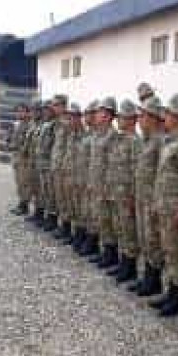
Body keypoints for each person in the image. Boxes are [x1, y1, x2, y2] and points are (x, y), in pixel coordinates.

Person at [150, 93, 178, 317]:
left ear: (177, 116)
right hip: (165, 206)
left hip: (175, 208)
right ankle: (172, 292)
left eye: (167, 113)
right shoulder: (170, 140)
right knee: (170, 250)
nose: (164, 117)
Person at [131, 95, 166, 297]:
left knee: (153, 241)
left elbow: (162, 176)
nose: (140, 119)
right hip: (142, 197)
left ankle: (155, 281)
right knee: (145, 239)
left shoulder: (160, 142)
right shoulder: (147, 141)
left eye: (143, 115)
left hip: (153, 199)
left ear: (152, 118)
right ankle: (148, 277)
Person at [106, 99, 142, 283]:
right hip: (116, 192)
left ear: (131, 119)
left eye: (122, 117)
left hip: (127, 195)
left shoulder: (135, 142)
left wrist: (133, 195)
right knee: (120, 228)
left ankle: (130, 267)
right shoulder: (120, 140)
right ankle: (123, 262)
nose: (118, 120)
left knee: (129, 231)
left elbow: (137, 171)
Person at [88, 97, 120, 269]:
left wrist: (107, 188)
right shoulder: (97, 134)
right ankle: (106, 251)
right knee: (101, 219)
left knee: (109, 220)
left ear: (108, 116)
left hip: (107, 188)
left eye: (100, 112)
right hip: (97, 184)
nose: (97, 115)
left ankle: (112, 255)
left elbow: (113, 165)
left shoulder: (113, 136)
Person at [75, 101, 100, 255]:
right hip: (84, 179)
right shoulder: (87, 134)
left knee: (94, 213)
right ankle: (85, 238)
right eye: (85, 114)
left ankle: (93, 242)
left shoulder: (98, 135)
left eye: (89, 114)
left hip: (94, 182)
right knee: (85, 211)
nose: (86, 117)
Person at [57, 102, 84, 245]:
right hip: (68, 175)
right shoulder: (71, 135)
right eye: (69, 117)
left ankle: (81, 236)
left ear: (79, 118)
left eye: (73, 117)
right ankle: (71, 232)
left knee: (80, 208)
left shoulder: (84, 136)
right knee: (70, 205)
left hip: (79, 179)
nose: (70, 120)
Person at [46, 94, 69, 233]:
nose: (53, 108)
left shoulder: (67, 123)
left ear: (63, 106)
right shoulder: (56, 123)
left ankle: (66, 228)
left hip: (63, 167)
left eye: (56, 105)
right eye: (53, 105)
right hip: (55, 164)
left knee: (64, 199)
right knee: (57, 197)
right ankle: (59, 224)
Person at [9, 103, 32, 216]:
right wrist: (9, 142)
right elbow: (10, 138)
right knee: (18, 181)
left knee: (24, 182)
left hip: (25, 158)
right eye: (18, 111)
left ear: (27, 112)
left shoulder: (30, 125)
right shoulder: (16, 124)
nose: (19, 113)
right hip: (16, 156)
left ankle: (24, 205)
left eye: (22, 111)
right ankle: (21, 203)